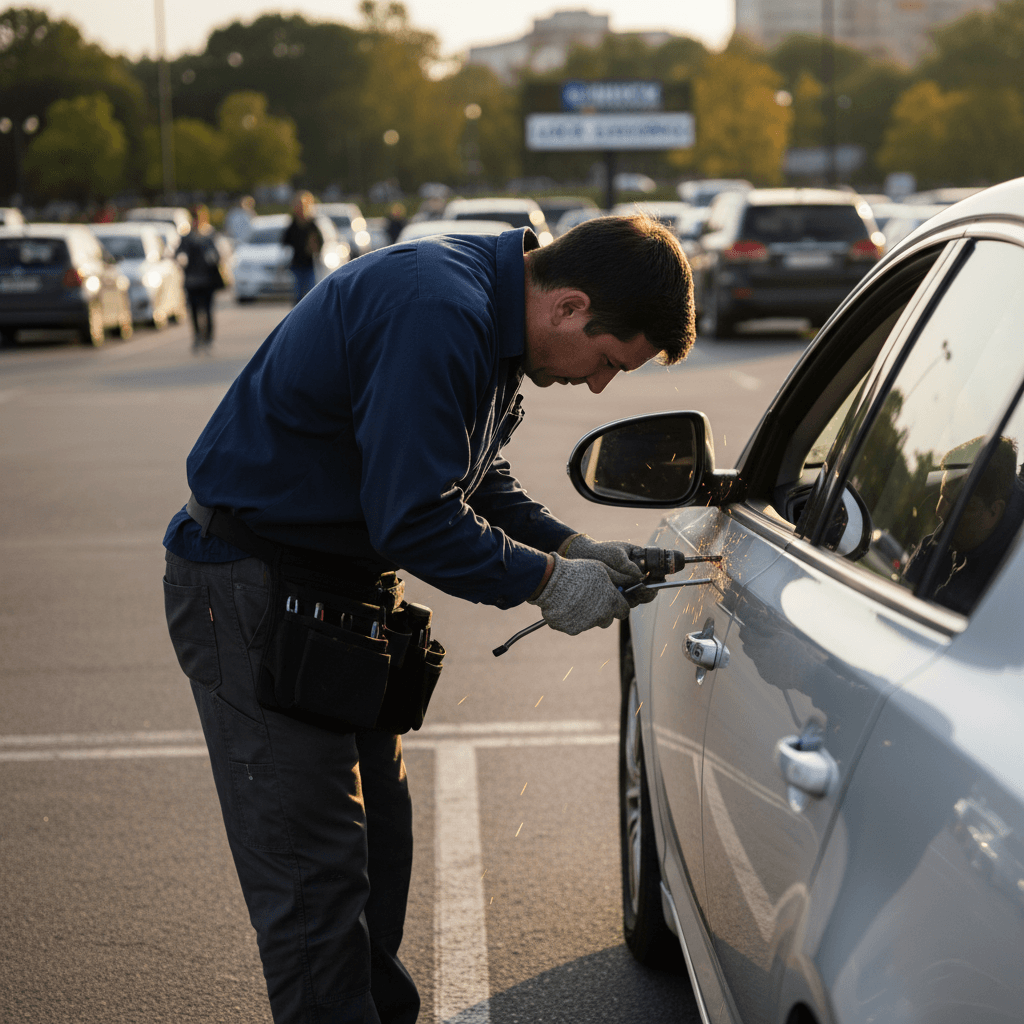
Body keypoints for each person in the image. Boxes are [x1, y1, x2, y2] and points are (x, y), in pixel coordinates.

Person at [161, 215, 695, 1023]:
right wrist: (551, 582)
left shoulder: (490, 309)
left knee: (376, 856)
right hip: (254, 588)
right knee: (316, 886)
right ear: (569, 305)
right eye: (608, 363)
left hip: (333, 593)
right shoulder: (436, 311)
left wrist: (571, 543)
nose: (597, 387)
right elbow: (414, 517)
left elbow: (469, 473)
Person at [903, 435, 1024, 614]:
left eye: (954, 502)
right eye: (942, 494)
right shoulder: (954, 535)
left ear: (993, 512)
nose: (940, 511)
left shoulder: (1000, 590)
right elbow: (909, 585)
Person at [179, 205, 224, 350]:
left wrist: (213, 257)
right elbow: (179, 253)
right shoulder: (186, 238)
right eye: (194, 219)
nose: (196, 222)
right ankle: (197, 337)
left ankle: (209, 338)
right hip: (192, 280)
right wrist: (181, 258)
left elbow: (218, 254)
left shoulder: (209, 236)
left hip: (207, 280)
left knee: (208, 310)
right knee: (193, 311)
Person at [282, 190, 323, 304]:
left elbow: (320, 242)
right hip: (296, 264)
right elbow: (285, 242)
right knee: (298, 295)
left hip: (309, 263)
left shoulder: (311, 224)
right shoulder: (293, 224)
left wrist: (315, 249)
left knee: (311, 293)